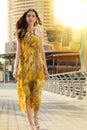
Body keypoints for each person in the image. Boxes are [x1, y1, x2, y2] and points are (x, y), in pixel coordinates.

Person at [13, 9, 49, 130]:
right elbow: (18, 52)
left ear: (36, 18)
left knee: (37, 96)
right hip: (25, 69)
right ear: (25, 18)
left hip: (37, 69)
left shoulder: (39, 32)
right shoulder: (20, 32)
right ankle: (31, 124)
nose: (31, 17)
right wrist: (15, 69)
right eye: (28, 15)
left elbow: (42, 51)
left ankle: (35, 118)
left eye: (33, 15)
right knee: (27, 96)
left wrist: (46, 70)